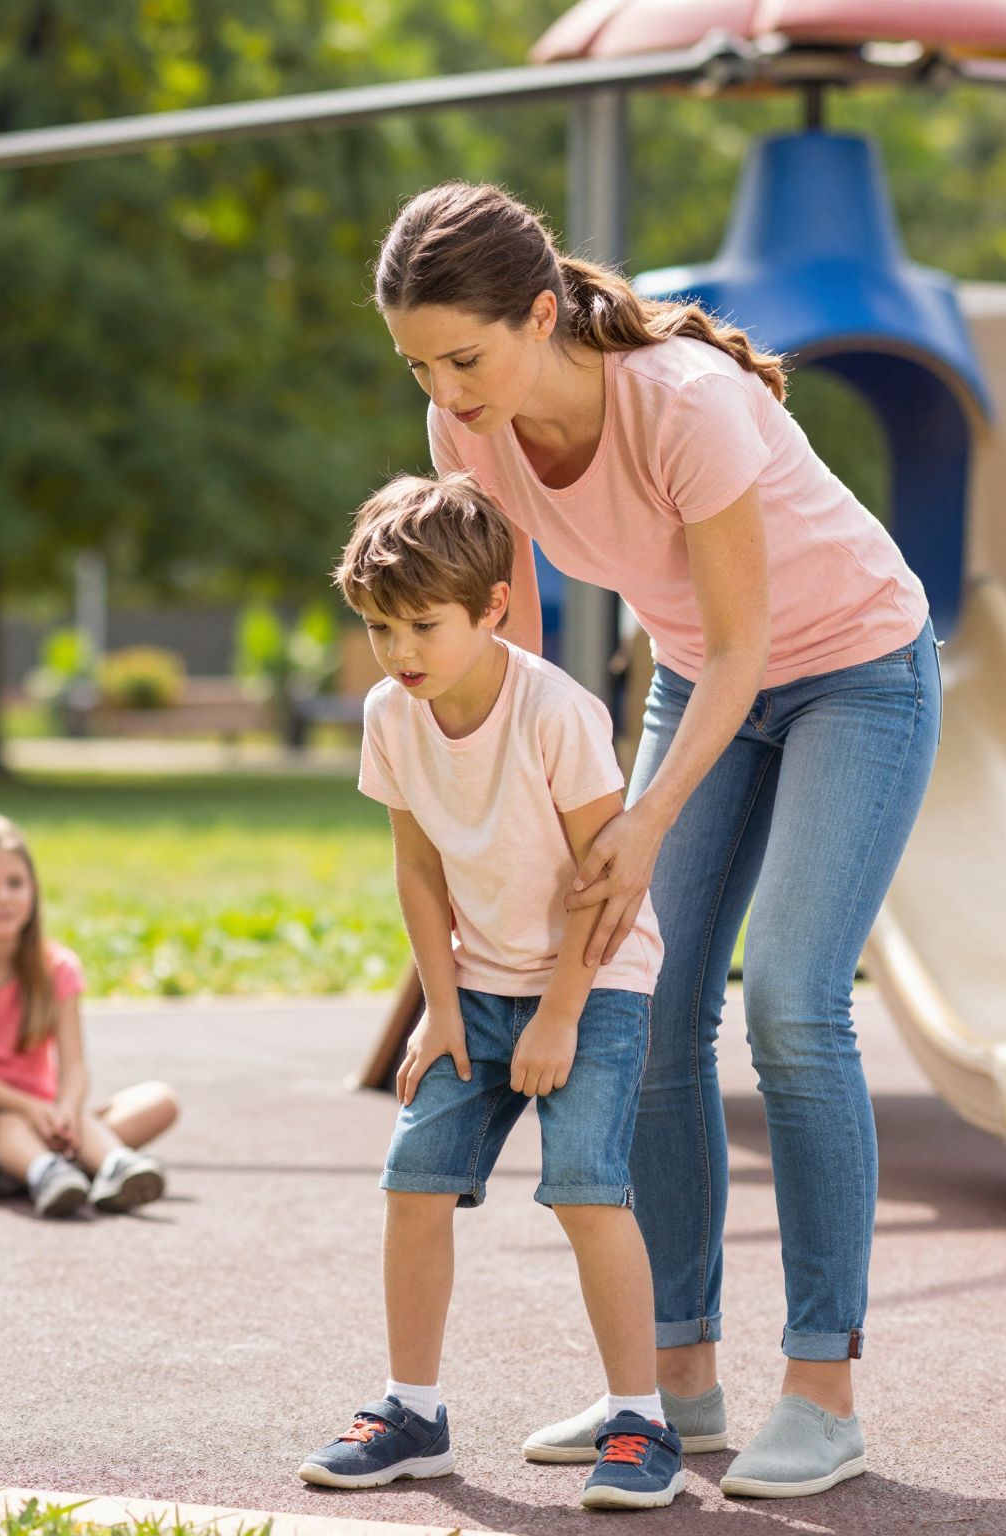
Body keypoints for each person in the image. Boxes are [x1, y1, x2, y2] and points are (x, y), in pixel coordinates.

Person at [374, 182, 943, 1498]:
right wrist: (493, 808)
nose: (447, 393)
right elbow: (498, 629)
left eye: (465, 357)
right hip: (701, 680)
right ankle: (677, 1386)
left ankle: (824, 1390)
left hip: (854, 669)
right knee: (655, 999)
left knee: (796, 1003)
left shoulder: (682, 400)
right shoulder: (471, 430)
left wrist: (641, 824)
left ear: (538, 313)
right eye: (418, 365)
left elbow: (751, 647)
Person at [298, 475, 682, 1511]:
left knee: (585, 1189)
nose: (400, 650)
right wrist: (438, 1000)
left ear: (492, 608)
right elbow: (416, 868)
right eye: (379, 627)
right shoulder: (392, 714)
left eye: (423, 624)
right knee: (412, 1179)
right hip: (476, 981)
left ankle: (640, 1420)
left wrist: (559, 1012)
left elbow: (602, 882)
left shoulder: (557, 713)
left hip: (591, 975)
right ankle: (410, 1412)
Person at [0, 813, 176, 1219]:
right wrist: (35, 1109)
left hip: (48, 1114)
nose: (3, 897)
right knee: (9, 1125)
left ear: (33, 890)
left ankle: (108, 1167)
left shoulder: (58, 968)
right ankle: (48, 1169)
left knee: (159, 1102)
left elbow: (73, 1063)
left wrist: (67, 1109)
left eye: (15, 883)